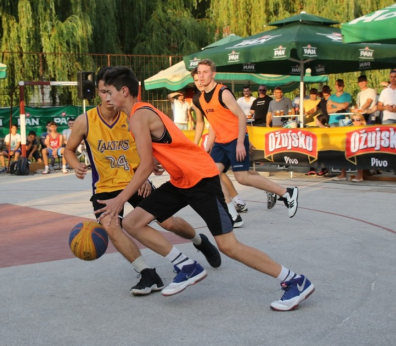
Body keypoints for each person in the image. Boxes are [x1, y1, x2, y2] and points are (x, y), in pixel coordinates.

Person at [98, 66, 314, 311]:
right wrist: (161, 161)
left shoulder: (138, 115)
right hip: (182, 180)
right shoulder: (137, 114)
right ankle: (186, 266)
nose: (105, 97)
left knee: (229, 246)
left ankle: (294, 280)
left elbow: (145, 164)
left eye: (108, 91)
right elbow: (164, 147)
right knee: (132, 222)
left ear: (123, 91)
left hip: (201, 179)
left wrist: (119, 200)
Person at [64, 66, 221, 295]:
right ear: (97, 92)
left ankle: (199, 240)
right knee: (110, 225)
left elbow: (150, 147)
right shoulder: (85, 121)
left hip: (136, 181)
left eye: (110, 91)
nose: (107, 97)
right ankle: (147, 273)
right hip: (105, 186)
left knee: (168, 223)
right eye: (102, 92)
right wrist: (75, 164)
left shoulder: (132, 115)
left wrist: (151, 167)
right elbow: (68, 150)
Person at [195, 60, 299, 217]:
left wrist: (240, 143)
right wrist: (209, 144)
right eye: (199, 72)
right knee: (212, 174)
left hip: (235, 139)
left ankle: (286, 193)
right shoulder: (202, 98)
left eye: (205, 72)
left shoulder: (223, 92)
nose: (201, 76)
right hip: (220, 142)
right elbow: (214, 124)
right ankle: (232, 214)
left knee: (242, 177)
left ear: (213, 74)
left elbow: (242, 116)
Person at [190, 69, 248, 217]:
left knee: (241, 174)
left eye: (201, 77)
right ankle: (235, 202)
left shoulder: (221, 92)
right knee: (215, 171)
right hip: (216, 136)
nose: (200, 82)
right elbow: (201, 123)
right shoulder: (198, 100)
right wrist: (196, 145)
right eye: (196, 80)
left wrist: (244, 140)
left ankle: (240, 199)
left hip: (233, 136)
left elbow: (235, 118)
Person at [332, 113, 367, 183]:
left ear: (362, 121)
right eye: (353, 120)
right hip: (351, 147)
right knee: (342, 152)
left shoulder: (366, 128)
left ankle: (359, 176)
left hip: (362, 148)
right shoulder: (349, 128)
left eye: (358, 120)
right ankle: (343, 175)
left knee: (359, 154)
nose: (355, 122)